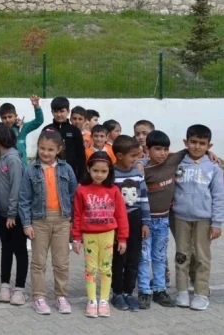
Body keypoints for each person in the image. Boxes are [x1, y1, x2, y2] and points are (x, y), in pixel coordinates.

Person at [19, 129, 78, 315]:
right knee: (38, 262)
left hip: (62, 221)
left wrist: (72, 221)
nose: (46, 153)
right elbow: (24, 199)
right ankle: (39, 297)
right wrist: (27, 224)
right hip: (39, 222)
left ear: (59, 149)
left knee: (61, 262)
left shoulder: (66, 169)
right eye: (42, 148)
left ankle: (61, 296)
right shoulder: (31, 170)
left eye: (50, 149)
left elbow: (73, 194)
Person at [173, 124, 224, 311]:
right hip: (180, 217)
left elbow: (219, 196)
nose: (197, 147)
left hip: (204, 219)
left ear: (209, 146)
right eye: (193, 142)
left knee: (202, 256)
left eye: (202, 143)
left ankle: (201, 292)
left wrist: (217, 223)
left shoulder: (214, 168)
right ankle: (182, 291)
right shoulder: (177, 163)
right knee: (181, 255)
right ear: (186, 142)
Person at [72, 153, 129, 318]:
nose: (99, 174)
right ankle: (92, 300)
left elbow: (121, 215)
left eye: (103, 171)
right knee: (91, 268)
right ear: (88, 169)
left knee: (105, 268)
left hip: (108, 234)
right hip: (89, 236)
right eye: (95, 170)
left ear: (109, 172)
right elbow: (77, 215)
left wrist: (123, 238)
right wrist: (76, 237)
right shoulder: (81, 190)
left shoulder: (114, 190)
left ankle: (103, 300)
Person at [137, 130, 179, 309]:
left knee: (160, 256)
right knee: (144, 257)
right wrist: (140, 162)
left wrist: (210, 152)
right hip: (145, 222)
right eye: (158, 149)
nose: (162, 153)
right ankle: (144, 291)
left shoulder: (171, 163)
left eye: (166, 149)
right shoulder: (143, 169)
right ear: (148, 149)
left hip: (163, 221)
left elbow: (189, 150)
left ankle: (160, 290)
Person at [110, 135, 150, 312]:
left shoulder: (137, 173)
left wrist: (145, 222)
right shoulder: (110, 174)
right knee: (118, 258)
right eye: (133, 156)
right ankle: (117, 293)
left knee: (133, 258)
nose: (136, 159)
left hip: (135, 218)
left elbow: (144, 198)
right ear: (119, 155)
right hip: (117, 221)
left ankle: (128, 292)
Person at [0, 126, 27, 306]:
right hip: (2, 213)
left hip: (14, 215)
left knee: (20, 251)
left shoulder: (12, 159)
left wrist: (12, 213)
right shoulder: (0, 159)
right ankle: (5, 285)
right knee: (6, 249)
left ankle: (19, 288)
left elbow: (17, 187)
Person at [42, 97, 86, 182]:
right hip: (49, 174)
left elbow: (81, 156)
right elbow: (41, 152)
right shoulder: (47, 129)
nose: (59, 115)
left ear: (68, 111)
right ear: (52, 112)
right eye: (56, 111)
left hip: (70, 174)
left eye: (62, 111)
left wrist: (80, 179)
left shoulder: (75, 131)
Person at [0, 95, 43, 166]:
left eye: (10, 116)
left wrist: (36, 106)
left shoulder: (22, 127)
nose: (7, 120)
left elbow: (39, 121)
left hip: (23, 167)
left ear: (16, 116)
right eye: (4, 118)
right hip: (6, 167)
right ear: (1, 118)